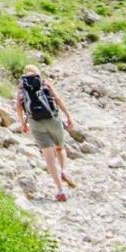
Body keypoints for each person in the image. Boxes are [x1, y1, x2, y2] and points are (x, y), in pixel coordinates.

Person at [15, 64, 76, 202]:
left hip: (35, 123)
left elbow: (18, 106)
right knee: (60, 148)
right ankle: (64, 171)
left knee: (49, 157)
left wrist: (23, 123)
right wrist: (69, 116)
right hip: (53, 120)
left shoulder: (22, 87)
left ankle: (60, 191)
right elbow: (57, 99)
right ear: (37, 73)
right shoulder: (44, 83)